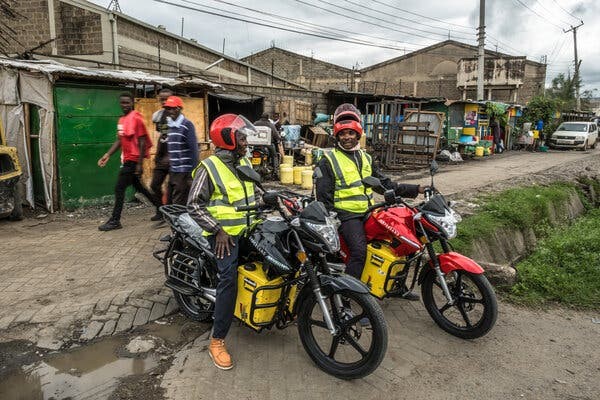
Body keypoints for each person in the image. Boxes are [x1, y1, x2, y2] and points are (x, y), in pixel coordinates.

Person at [316, 103, 425, 300]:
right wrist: (333, 221)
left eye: (350, 133)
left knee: (402, 240)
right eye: (342, 134)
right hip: (347, 217)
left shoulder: (366, 158)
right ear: (337, 136)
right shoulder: (328, 160)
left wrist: (415, 189)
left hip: (369, 212)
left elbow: (384, 184)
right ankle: (348, 299)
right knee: (359, 252)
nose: (347, 137)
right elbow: (323, 197)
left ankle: (396, 286)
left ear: (358, 134)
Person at [187, 114, 256, 370]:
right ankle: (217, 340)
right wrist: (217, 230)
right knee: (229, 277)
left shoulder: (244, 161)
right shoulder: (210, 167)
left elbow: (255, 190)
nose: (246, 141)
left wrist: (275, 198)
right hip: (223, 236)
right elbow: (193, 204)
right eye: (242, 136)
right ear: (227, 139)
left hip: (249, 228)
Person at [98, 93, 161, 231]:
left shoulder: (136, 118)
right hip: (128, 159)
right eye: (122, 103)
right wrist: (107, 155)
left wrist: (139, 164)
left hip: (133, 160)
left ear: (132, 103)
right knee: (141, 188)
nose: (124, 105)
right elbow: (119, 140)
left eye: (127, 103)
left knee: (119, 188)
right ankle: (161, 210)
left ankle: (115, 220)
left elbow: (143, 140)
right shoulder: (122, 120)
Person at [164, 96, 198, 205]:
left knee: (179, 202)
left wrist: (192, 174)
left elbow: (194, 150)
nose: (171, 111)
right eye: (168, 109)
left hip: (184, 171)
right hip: (174, 170)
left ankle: (180, 221)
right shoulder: (170, 126)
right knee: (170, 201)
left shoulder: (187, 125)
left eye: (174, 108)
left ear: (179, 109)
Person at [149, 88, 173, 221]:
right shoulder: (158, 116)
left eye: (167, 99)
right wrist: (158, 155)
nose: (164, 102)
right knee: (154, 185)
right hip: (162, 153)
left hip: (174, 155)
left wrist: (170, 155)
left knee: (172, 186)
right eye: (162, 99)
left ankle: (168, 211)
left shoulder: (177, 115)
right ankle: (160, 210)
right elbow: (162, 136)